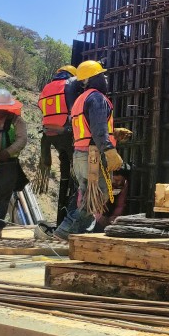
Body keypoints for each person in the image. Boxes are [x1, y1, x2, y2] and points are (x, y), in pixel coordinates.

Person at [36, 61, 123, 242]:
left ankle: (79, 234)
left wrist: (113, 133)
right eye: (102, 75)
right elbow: (98, 130)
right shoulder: (97, 98)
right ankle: (66, 230)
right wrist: (109, 149)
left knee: (87, 196)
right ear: (94, 78)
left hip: (80, 155)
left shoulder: (79, 100)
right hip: (93, 155)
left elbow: (89, 127)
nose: (106, 79)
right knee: (98, 195)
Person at [0, 89, 29, 243]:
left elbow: (22, 140)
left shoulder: (17, 121)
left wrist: (7, 152)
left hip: (8, 164)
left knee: (3, 196)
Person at [37, 65, 78, 224]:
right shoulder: (69, 85)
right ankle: (69, 219)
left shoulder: (47, 87)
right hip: (66, 133)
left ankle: (61, 218)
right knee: (75, 177)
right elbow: (75, 107)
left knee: (64, 174)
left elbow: (41, 105)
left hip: (49, 134)